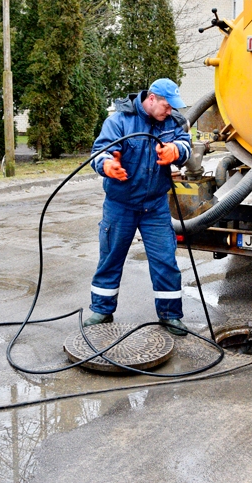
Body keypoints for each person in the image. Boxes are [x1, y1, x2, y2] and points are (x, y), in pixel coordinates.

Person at [83, 78, 193, 335]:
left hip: (155, 206)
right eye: (167, 105)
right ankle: (101, 310)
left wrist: (176, 150)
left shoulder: (172, 122)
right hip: (121, 205)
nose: (170, 111)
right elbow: (100, 151)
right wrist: (107, 165)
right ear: (151, 99)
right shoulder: (120, 121)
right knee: (111, 257)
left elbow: (186, 145)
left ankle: (170, 315)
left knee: (165, 260)